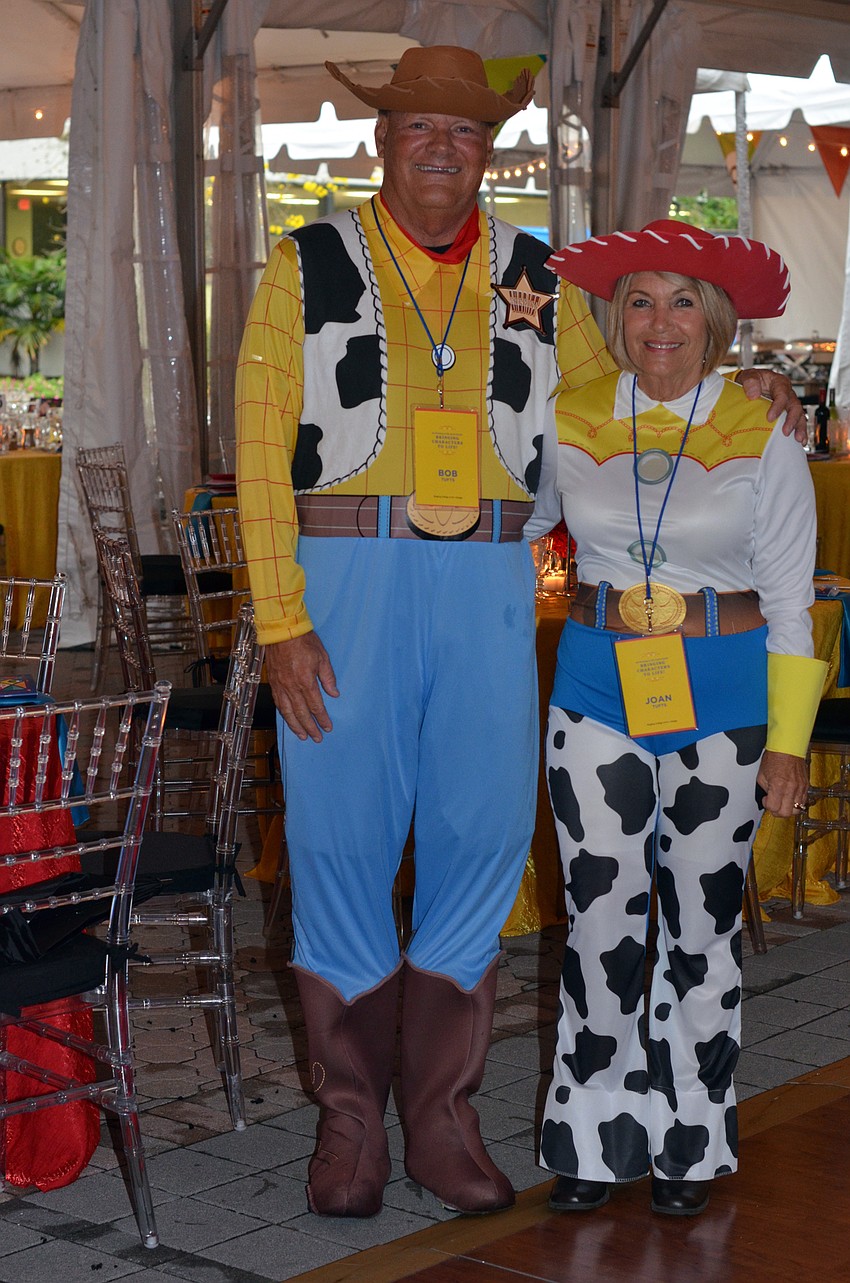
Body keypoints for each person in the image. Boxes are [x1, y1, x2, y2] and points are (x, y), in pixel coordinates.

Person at [235, 47, 804, 1221]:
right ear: (381, 143)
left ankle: (441, 1119)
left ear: (487, 149)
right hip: (343, 569)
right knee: (339, 836)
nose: (442, 146)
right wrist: (280, 619)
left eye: (465, 130)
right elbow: (253, 453)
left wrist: (753, 380)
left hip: (492, 577)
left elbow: (646, 375)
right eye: (418, 127)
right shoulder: (305, 262)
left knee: (483, 832)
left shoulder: (535, 271)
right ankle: (351, 1124)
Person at [525, 220, 827, 1219]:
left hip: (728, 703)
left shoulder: (762, 433)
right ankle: (591, 1134)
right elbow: (510, 522)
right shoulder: (565, 415)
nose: (660, 320)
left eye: (683, 299)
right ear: (617, 317)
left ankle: (690, 1137)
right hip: (596, 694)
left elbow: (791, 598)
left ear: (716, 320)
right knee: (599, 920)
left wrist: (787, 741)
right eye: (642, 299)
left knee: (702, 925)